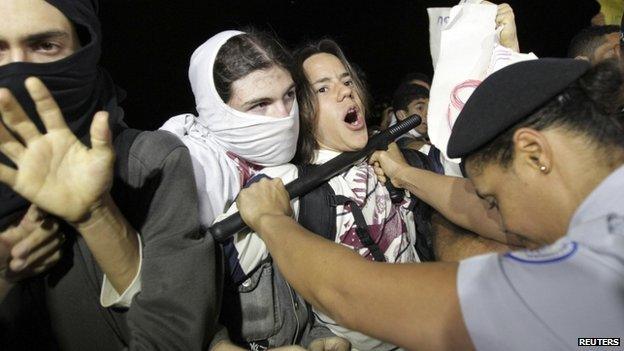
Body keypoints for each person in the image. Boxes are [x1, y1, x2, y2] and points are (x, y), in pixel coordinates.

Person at [235, 58, 624, 350]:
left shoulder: (584, 282)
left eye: (494, 198)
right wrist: (404, 175)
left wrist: (270, 218)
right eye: (322, 88)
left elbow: (352, 294)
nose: (502, 221)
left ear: (535, 153)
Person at [0, 0, 219, 349]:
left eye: (44, 46)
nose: (17, 69)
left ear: (85, 51)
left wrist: (96, 214)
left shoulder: (148, 163)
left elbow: (175, 338)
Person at [160, 30, 346, 351]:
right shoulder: (191, 167)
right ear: (217, 109)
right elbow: (155, 294)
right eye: (260, 104)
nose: (284, 116)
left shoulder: (281, 161)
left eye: (289, 95)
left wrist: (314, 335)